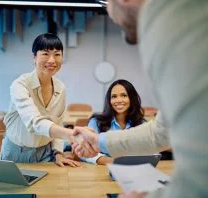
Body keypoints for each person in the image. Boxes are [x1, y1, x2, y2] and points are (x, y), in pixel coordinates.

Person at [72, 0, 208, 197]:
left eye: (107, 3)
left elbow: (199, 180)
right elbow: (160, 133)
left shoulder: (171, 16)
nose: (109, 12)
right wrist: (98, 140)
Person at [0, 33, 82, 167]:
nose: (52, 60)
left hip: (45, 153)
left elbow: (58, 123)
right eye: (45, 54)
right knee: (11, 188)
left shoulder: (61, 88)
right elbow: (34, 122)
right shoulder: (20, 85)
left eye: (57, 54)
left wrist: (58, 153)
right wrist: (71, 135)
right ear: (34, 57)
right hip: (15, 152)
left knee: (49, 188)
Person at [82, 79, 145, 165]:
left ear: (132, 98)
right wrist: (111, 161)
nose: (118, 100)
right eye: (114, 96)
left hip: (135, 169)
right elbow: (84, 152)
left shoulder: (141, 123)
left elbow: (150, 151)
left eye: (124, 95)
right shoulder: (96, 122)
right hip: (102, 170)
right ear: (109, 100)